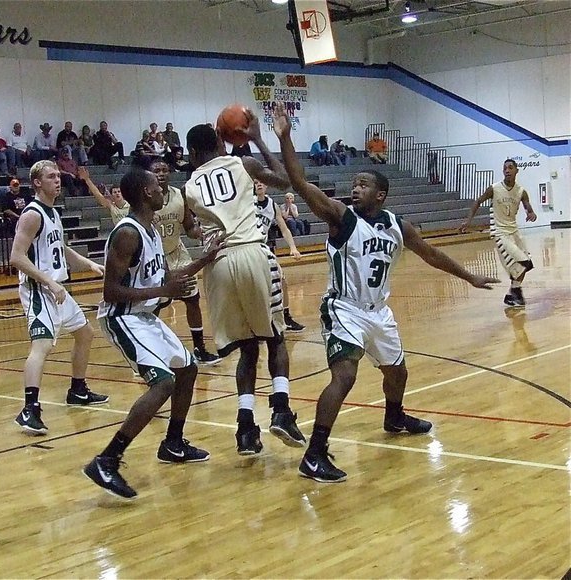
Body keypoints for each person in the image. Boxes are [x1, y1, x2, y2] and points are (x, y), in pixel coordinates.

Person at [272, 108, 499, 482]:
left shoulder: (397, 225)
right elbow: (300, 184)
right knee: (344, 377)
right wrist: (284, 138)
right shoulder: (343, 219)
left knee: (398, 372)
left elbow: (432, 254)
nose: (355, 188)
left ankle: (394, 417)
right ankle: (314, 454)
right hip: (343, 308)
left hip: (378, 311)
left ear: (380, 193)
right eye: (354, 183)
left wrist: (470, 276)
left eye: (362, 184)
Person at [83, 169, 221, 500]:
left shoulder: (152, 230)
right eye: (157, 186)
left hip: (144, 316)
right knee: (163, 382)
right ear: (146, 193)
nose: (163, 190)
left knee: (188, 369)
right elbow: (110, 292)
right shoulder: (128, 234)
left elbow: (164, 277)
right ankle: (107, 459)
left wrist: (205, 258)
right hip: (122, 317)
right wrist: (164, 288)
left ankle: (173, 443)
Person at [183, 114, 306, 455]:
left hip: (218, 263)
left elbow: (191, 227)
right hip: (252, 253)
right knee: (275, 336)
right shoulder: (244, 163)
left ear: (192, 152)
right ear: (222, 142)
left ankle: (246, 429)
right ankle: (281, 410)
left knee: (246, 348)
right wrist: (259, 140)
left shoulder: (190, 186)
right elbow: (284, 180)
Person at [9, 160, 109, 435]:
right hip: (39, 290)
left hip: (57, 288)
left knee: (85, 333)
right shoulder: (32, 214)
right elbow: (16, 257)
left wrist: (87, 263)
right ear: (37, 183)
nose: (58, 180)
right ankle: (29, 410)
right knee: (41, 347)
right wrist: (49, 282)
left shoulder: (52, 212)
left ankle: (77, 389)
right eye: (51, 176)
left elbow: (59, 247)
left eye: (58, 175)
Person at [147, 158, 221, 365]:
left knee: (192, 299)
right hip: (154, 257)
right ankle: (148, 352)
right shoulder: (143, 198)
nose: (161, 174)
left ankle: (199, 348)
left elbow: (188, 227)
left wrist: (202, 234)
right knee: (154, 305)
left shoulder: (179, 195)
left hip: (177, 251)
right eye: (156, 170)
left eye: (164, 170)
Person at [460, 159, 537, 306]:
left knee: (527, 264)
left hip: (514, 232)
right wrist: (468, 221)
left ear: (516, 171)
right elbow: (478, 201)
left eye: (510, 168)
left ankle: (512, 294)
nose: (507, 170)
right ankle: (516, 292)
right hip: (500, 233)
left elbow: (529, 208)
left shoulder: (521, 191)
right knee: (522, 263)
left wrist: (531, 214)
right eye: (505, 168)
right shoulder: (494, 188)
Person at [254, 180, 305, 333]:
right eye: (255, 183)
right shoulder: (247, 202)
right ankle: (256, 322)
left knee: (282, 280)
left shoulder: (273, 205)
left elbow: (284, 228)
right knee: (256, 286)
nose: (259, 185)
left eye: (261, 182)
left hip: (265, 247)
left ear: (266, 186)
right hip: (249, 247)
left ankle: (286, 317)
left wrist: (293, 247)